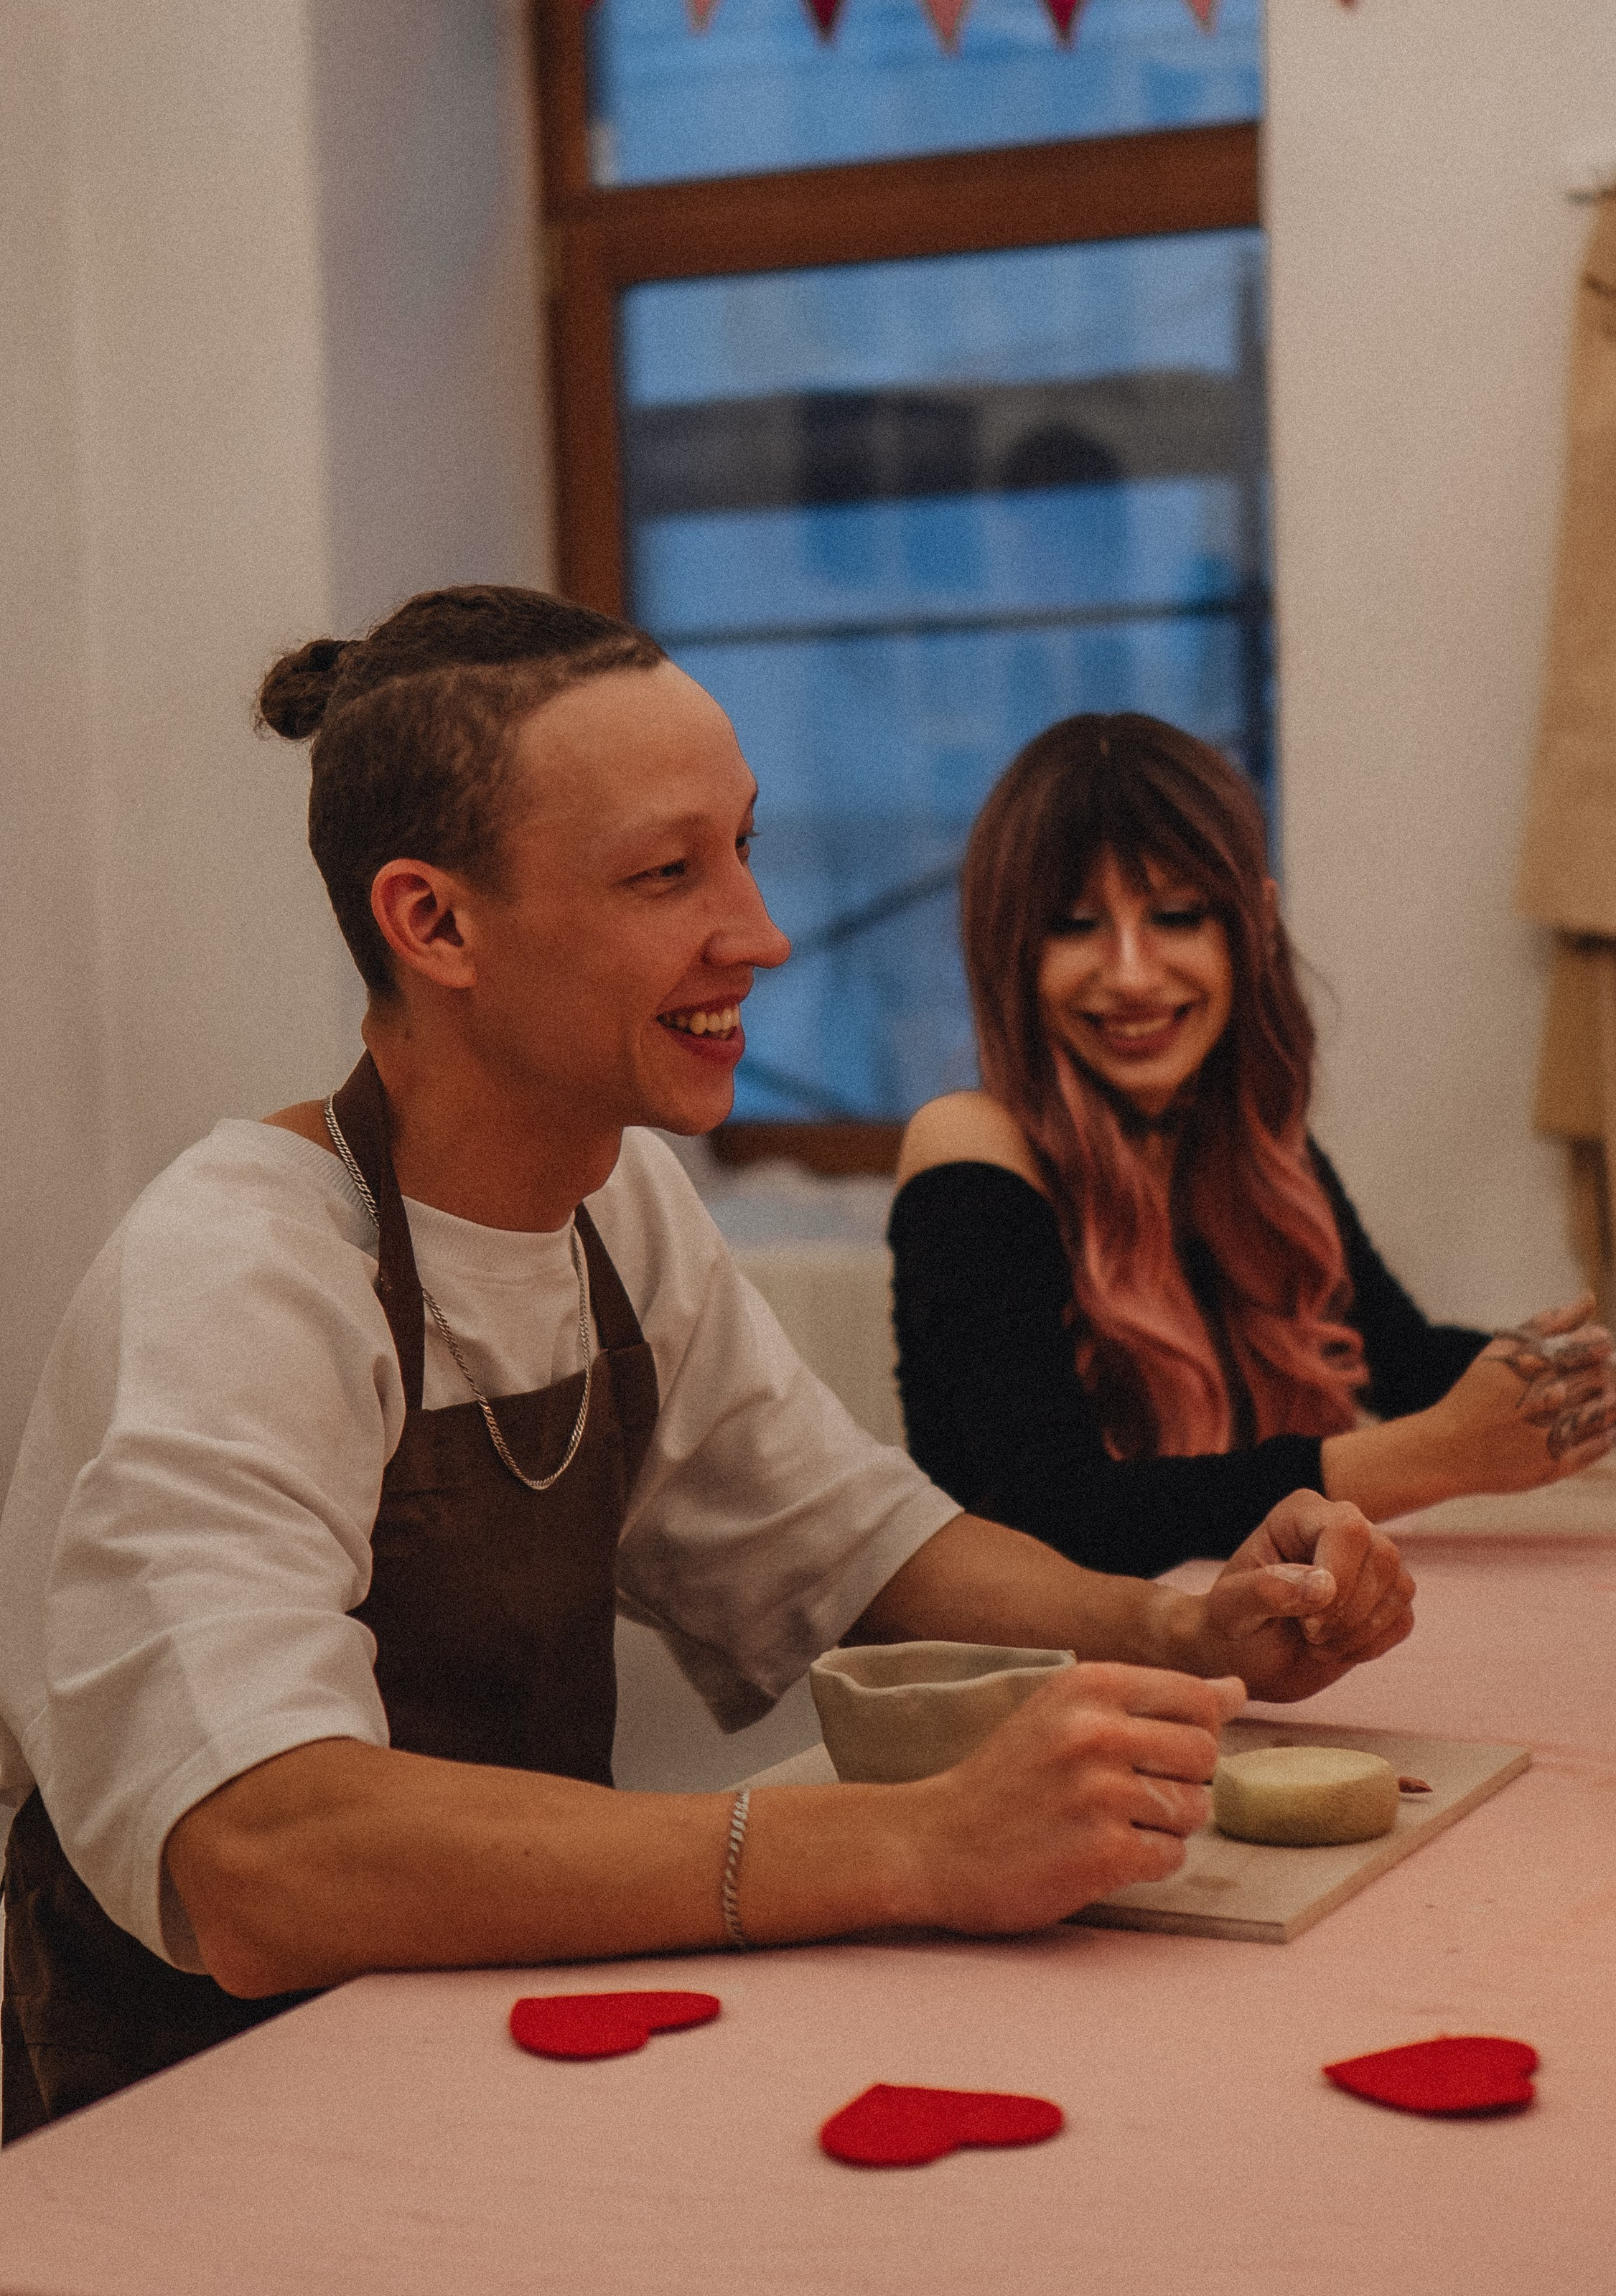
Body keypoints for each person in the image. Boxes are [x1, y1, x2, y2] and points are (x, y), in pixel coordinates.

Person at [0, 592, 1416, 2141]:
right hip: (187, 2129)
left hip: (479, 2061)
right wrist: (908, 1847)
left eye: (742, 849)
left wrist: (1180, 1619)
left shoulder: (617, 1205)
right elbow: (260, 1851)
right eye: (667, 873)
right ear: (434, 922)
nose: (759, 932)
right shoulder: (242, 1272)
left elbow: (853, 1541)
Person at [890, 713, 1616, 1579]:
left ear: (1253, 927)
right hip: (1035, 1689)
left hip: (1223, 1648)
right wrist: (1433, 1457)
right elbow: (1057, 1515)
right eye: (1074, 925)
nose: (1130, 973)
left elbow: (1403, 1357)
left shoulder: (1250, 1145)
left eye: (1175, 916)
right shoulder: (969, 1146)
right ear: (1008, 949)